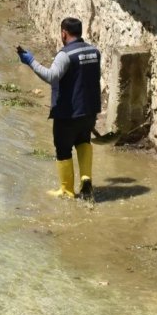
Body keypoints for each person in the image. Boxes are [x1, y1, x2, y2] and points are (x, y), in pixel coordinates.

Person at [19, 17, 101, 199]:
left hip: (68, 114)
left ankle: (67, 190)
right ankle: (86, 178)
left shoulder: (65, 55)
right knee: (83, 142)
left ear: (64, 33)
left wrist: (31, 61)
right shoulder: (94, 51)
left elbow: (51, 76)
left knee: (63, 149)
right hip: (89, 112)